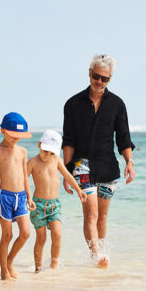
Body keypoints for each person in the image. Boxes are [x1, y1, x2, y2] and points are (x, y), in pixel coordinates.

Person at [62, 54, 135, 266]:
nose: (99, 81)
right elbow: (69, 140)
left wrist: (129, 162)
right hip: (81, 165)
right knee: (91, 214)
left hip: (108, 167)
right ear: (89, 73)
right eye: (96, 76)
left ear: (110, 79)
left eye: (105, 78)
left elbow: (123, 138)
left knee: (102, 217)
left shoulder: (117, 104)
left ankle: (100, 254)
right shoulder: (72, 104)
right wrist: (66, 172)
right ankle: (96, 255)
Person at [0, 112, 34, 281]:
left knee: (25, 233)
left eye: (19, 136)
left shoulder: (23, 151)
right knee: (7, 235)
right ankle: (3, 271)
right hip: (4, 197)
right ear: (3, 131)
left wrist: (29, 197)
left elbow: (25, 176)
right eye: (13, 135)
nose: (16, 139)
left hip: (21, 197)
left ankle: (9, 261)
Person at [28, 129, 86, 272]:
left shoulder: (56, 160)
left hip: (54, 205)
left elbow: (68, 176)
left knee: (57, 234)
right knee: (41, 238)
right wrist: (27, 198)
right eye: (45, 151)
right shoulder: (32, 162)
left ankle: (54, 266)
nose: (47, 155)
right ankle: (38, 268)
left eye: (52, 153)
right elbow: (22, 181)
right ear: (39, 145)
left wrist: (79, 190)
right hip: (38, 205)